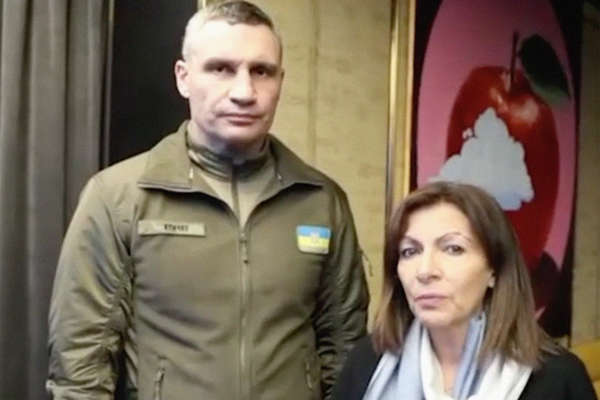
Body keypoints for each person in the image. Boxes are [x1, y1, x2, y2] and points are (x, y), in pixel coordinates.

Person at [47, 2, 368, 399]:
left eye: (261, 71)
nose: (244, 92)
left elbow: (345, 352)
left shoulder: (322, 202)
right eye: (221, 69)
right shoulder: (118, 198)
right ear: (183, 78)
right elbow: (80, 362)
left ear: (280, 81)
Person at [332, 181, 597, 400]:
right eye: (410, 251)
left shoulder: (558, 378)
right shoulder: (367, 361)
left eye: (453, 249)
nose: (425, 271)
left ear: (493, 269)